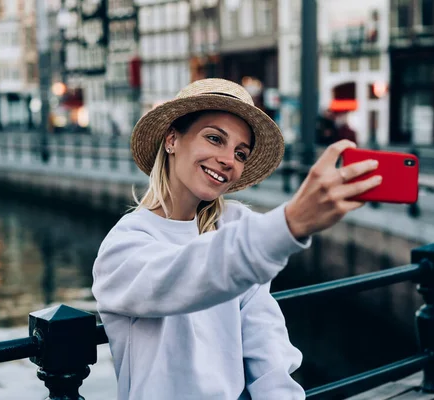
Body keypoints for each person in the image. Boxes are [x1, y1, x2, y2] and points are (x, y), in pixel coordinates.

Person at [91, 78, 381, 399]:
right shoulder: (125, 245)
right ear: (172, 139)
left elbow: (265, 342)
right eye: (215, 139)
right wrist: (290, 222)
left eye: (240, 154)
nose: (229, 160)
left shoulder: (233, 224)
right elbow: (188, 275)